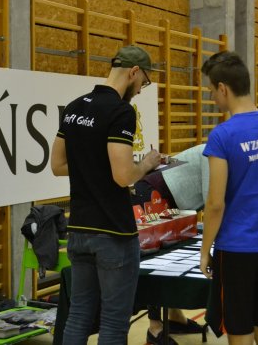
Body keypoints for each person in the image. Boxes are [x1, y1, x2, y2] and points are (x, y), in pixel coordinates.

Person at [50, 45, 161, 345]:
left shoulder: (74, 107)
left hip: (79, 229)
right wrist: (147, 164)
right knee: (113, 321)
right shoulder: (121, 111)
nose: (140, 90)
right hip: (113, 231)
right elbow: (123, 176)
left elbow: (57, 165)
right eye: (143, 82)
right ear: (134, 72)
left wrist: (92, 164)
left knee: (78, 315)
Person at [199, 51, 258, 345]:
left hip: (236, 249)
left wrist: (205, 250)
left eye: (211, 91)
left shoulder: (222, 135)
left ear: (223, 88)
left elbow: (215, 203)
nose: (212, 97)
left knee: (240, 331)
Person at [132, 144, 207, 344]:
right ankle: (154, 327)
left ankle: (175, 317)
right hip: (153, 193)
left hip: (174, 200)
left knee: (172, 259)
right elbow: (212, 199)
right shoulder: (214, 152)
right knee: (157, 260)